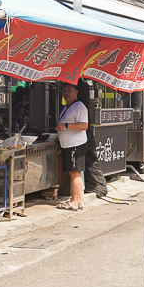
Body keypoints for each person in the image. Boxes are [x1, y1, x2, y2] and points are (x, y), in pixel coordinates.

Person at [55, 82, 89, 211]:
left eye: (69, 90)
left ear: (76, 92)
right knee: (73, 172)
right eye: (64, 90)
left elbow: (84, 126)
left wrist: (67, 126)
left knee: (75, 173)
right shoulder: (67, 107)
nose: (66, 93)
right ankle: (78, 200)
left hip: (75, 144)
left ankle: (74, 201)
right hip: (68, 144)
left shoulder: (79, 107)